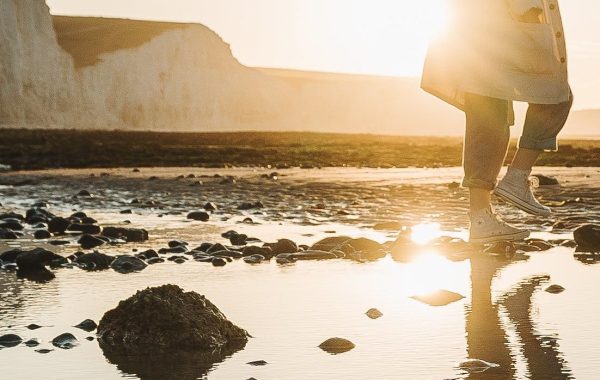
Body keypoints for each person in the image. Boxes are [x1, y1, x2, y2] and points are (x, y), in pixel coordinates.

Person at [421, 0, 573, 244]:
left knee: (488, 117)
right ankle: (516, 179)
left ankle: (481, 219)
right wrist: (530, 13)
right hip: (503, 32)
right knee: (556, 96)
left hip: (478, 35)